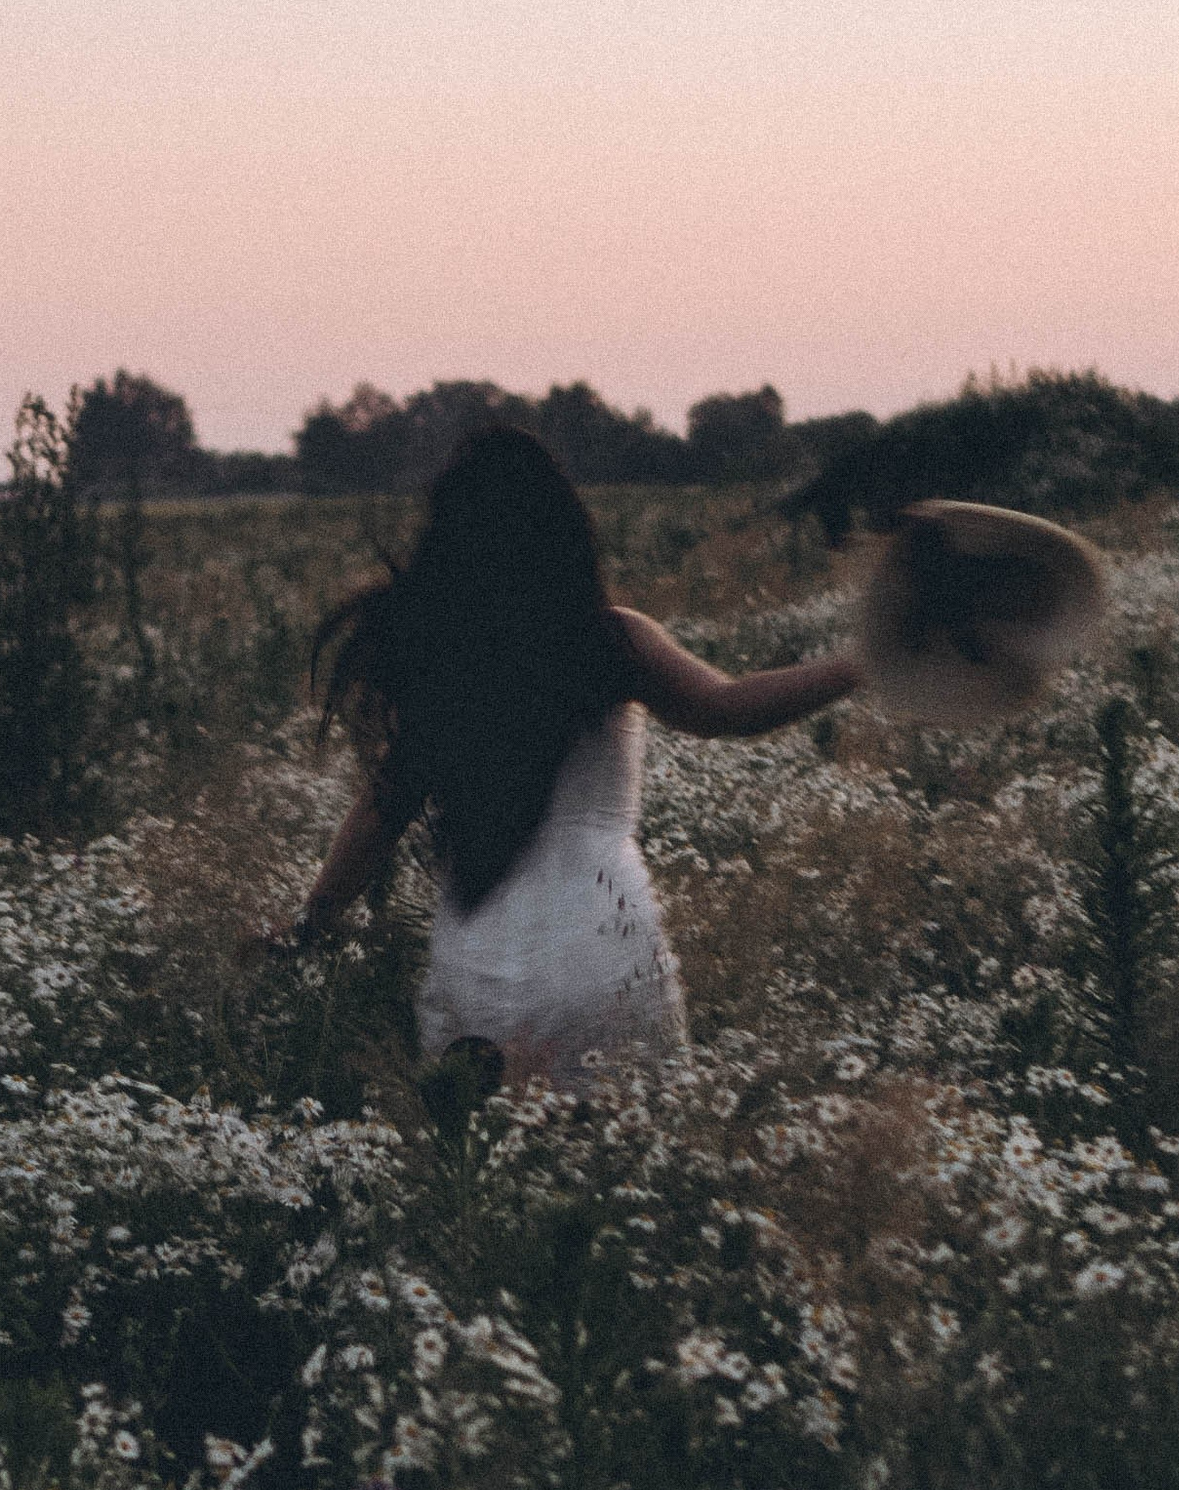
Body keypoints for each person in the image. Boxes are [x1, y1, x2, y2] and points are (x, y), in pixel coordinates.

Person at [282, 423, 860, 1088]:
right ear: (562, 529)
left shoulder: (441, 658)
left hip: (474, 955)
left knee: (483, 1141)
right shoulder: (609, 640)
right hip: (600, 945)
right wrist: (859, 665)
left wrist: (308, 928)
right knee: (627, 1138)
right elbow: (727, 708)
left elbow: (379, 814)